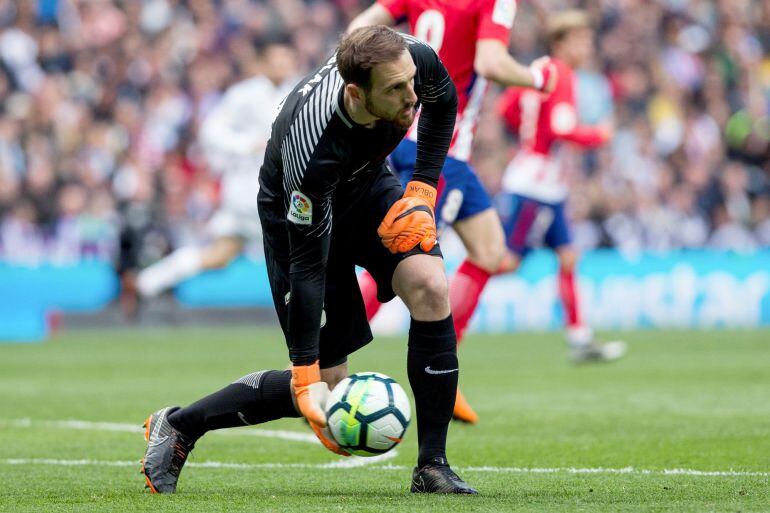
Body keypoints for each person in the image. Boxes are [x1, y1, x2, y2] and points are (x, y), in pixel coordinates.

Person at [141, 26, 478, 495]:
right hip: (296, 217)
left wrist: (421, 190)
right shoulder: (312, 148)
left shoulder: (411, 59)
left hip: (366, 186)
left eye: (410, 82)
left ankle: (433, 465)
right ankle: (181, 425)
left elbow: (443, 104)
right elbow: (308, 267)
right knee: (327, 384)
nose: (411, 96)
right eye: (396, 90)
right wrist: (304, 375)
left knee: (430, 285)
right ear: (357, 94)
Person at [348, 0, 556, 424]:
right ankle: (322, 362)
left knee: (489, 249)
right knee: (398, 257)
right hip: (440, 146)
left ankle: (448, 372)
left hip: (415, 138)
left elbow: (359, 29)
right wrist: (537, 77)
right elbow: (491, 61)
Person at [496, 10, 626, 361]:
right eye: (580, 39)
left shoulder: (538, 70)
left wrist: (529, 133)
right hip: (535, 186)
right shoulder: (563, 74)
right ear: (561, 43)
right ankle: (434, 294)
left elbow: (505, 109)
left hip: (545, 184)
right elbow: (562, 129)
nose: (587, 46)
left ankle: (580, 338)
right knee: (506, 262)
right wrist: (600, 134)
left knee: (568, 256)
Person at [135, 42, 298, 298]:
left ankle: (145, 283)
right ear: (263, 63)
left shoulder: (299, 92)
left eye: (286, 59)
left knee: (219, 255)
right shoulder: (244, 94)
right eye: (276, 60)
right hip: (249, 191)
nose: (282, 66)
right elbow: (211, 130)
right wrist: (247, 144)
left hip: (278, 189)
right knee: (304, 247)